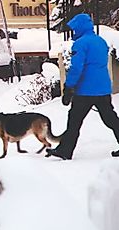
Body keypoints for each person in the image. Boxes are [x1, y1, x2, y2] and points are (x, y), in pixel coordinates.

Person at [46, 13, 119, 160]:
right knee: (110, 119)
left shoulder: (80, 44)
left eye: (74, 28)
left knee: (74, 121)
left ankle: (65, 150)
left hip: (85, 91)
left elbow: (76, 68)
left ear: (79, 27)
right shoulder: (101, 41)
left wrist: (68, 87)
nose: (74, 31)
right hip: (103, 89)